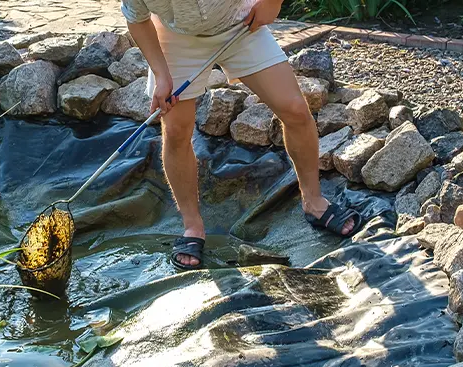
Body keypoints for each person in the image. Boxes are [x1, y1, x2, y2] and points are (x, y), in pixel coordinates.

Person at [121, 0, 360, 270]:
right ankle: (193, 227)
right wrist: (161, 74)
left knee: (295, 110)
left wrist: (272, 2)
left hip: (240, 26)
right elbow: (136, 18)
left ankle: (314, 202)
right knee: (175, 130)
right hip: (177, 37)